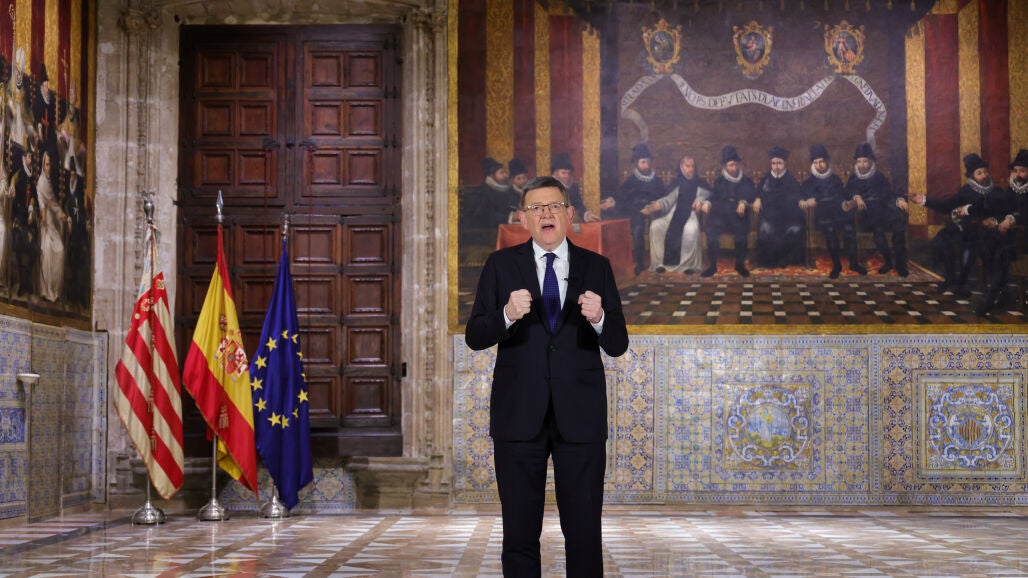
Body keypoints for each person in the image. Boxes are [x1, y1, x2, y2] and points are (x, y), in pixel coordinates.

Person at [465, 175, 628, 577]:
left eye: (554, 206)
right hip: (518, 415)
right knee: (519, 534)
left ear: (570, 215)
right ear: (523, 219)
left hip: (581, 417)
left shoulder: (597, 266)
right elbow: (475, 336)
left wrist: (600, 318)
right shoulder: (501, 265)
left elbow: (618, 343)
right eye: (536, 208)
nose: (546, 214)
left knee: (584, 533)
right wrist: (506, 314)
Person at [912, 154, 1009, 303]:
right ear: (972, 176)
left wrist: (984, 216)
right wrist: (923, 200)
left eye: (985, 172)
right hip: (962, 228)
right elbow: (947, 206)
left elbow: (1000, 210)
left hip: (984, 231)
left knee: (970, 244)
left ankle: (961, 283)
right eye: (979, 173)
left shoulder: (996, 191)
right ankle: (950, 279)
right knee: (942, 240)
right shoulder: (966, 191)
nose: (984, 175)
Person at [800, 144, 866, 278]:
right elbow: (801, 198)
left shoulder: (835, 180)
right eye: (816, 162)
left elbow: (842, 196)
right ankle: (836, 265)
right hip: (820, 216)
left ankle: (854, 263)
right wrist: (805, 202)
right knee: (830, 229)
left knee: (848, 228)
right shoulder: (808, 182)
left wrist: (847, 203)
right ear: (813, 164)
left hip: (838, 214)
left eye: (821, 161)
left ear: (827, 162)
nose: (819, 165)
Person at [845, 143, 909, 277]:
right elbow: (848, 193)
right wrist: (856, 197)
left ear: (871, 162)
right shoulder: (853, 178)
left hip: (883, 211)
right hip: (864, 215)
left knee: (898, 226)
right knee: (878, 230)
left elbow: (889, 193)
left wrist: (899, 200)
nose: (861, 165)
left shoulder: (878, 177)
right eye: (859, 162)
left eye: (865, 161)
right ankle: (888, 262)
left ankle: (900, 264)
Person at [642, 154, 710, 273]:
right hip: (672, 214)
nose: (691, 169)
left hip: (691, 215)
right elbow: (668, 199)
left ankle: (688, 265)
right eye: (687, 166)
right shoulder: (676, 182)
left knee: (691, 230)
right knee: (656, 226)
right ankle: (660, 264)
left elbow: (707, 195)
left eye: (692, 166)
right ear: (681, 167)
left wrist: (701, 201)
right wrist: (657, 205)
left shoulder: (700, 182)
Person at [609, 143, 665, 274]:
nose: (646, 165)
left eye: (648, 162)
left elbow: (663, 198)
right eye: (643, 162)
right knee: (637, 229)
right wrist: (614, 201)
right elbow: (622, 197)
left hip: (655, 211)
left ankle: (659, 261)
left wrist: (653, 206)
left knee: (659, 226)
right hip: (637, 212)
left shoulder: (657, 181)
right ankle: (639, 262)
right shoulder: (631, 181)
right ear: (636, 164)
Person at [700, 145, 756, 277]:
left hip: (738, 215)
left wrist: (743, 202)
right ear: (725, 166)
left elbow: (751, 194)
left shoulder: (746, 181)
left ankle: (740, 264)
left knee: (741, 232)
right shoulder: (719, 182)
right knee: (711, 230)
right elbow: (714, 196)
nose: (734, 168)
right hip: (721, 215)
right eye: (731, 165)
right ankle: (712, 265)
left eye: (736, 165)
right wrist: (707, 203)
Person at [754, 146, 805, 269]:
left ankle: (785, 260)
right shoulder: (766, 179)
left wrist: (801, 200)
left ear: (784, 164)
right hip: (769, 215)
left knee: (795, 230)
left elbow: (798, 196)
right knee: (766, 230)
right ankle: (769, 261)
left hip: (788, 216)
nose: (776, 167)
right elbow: (758, 193)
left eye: (779, 163)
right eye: (773, 163)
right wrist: (758, 199)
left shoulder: (791, 180)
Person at [462, 157, 518, 249]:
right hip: (485, 236)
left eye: (505, 172)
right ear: (492, 176)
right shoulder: (482, 192)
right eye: (501, 173)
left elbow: (510, 207)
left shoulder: (508, 190)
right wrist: (510, 217)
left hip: (504, 230)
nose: (505, 175)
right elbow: (485, 216)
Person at [35, 151, 66, 302]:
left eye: (49, 165)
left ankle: (56, 290)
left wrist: (61, 213)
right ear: (43, 165)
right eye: (46, 165)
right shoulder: (41, 183)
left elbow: (55, 203)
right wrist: (45, 213)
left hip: (55, 224)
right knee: (46, 252)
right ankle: (46, 290)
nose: (48, 168)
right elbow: (44, 204)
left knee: (60, 252)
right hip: (46, 225)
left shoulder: (52, 182)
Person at [551, 152, 611, 222]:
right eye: (563, 173)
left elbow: (580, 206)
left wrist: (586, 215)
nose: (567, 176)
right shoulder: (548, 188)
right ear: (555, 173)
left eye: (569, 173)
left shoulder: (574, 188)